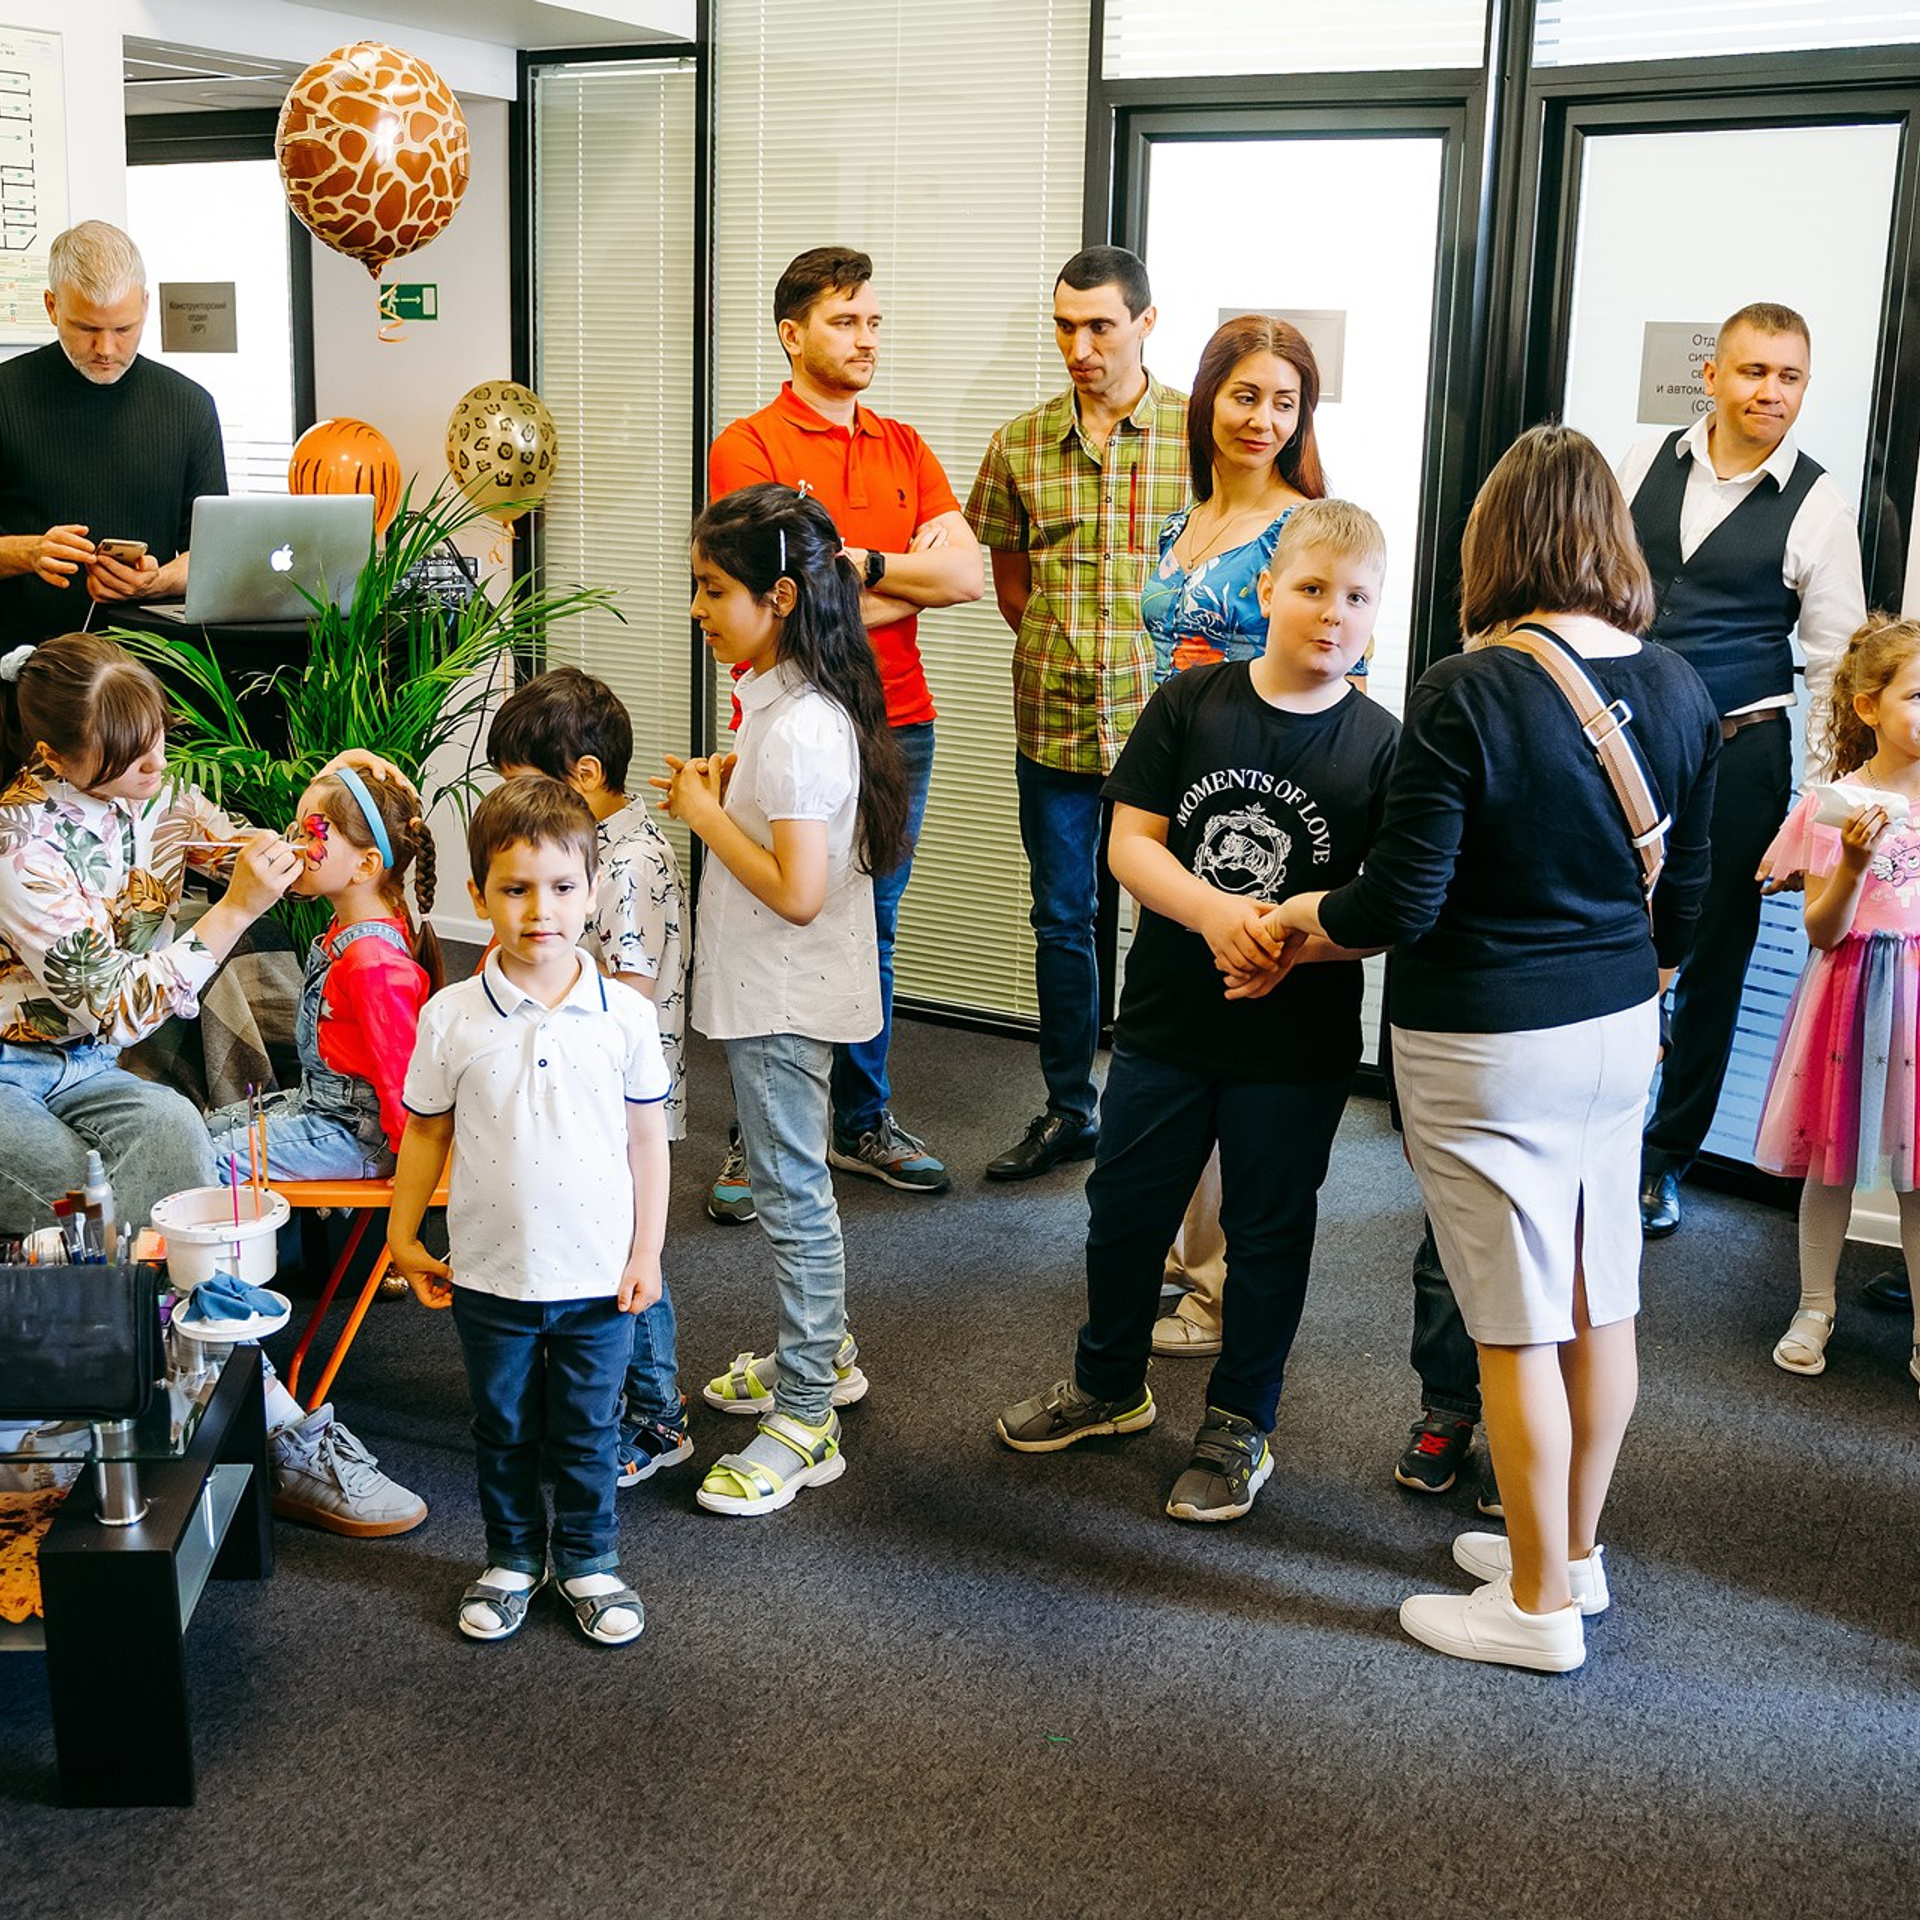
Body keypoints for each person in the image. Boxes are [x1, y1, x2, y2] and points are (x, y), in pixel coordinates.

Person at [1270, 426, 1720, 1672]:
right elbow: (1686, 899)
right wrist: (1621, 979)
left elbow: (1395, 904)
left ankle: (1531, 1610)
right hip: (1623, 1027)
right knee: (1599, 1295)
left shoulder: (1468, 690)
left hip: (1485, 1041)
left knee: (1516, 1322)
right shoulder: (1681, 686)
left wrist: (1292, 920)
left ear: (1493, 543)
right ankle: (1570, 1555)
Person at [995, 500, 1398, 1520]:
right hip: (1170, 1020)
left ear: (1376, 616)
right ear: (1266, 592)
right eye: (1310, 589)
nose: (1330, 614)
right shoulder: (1191, 705)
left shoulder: (1384, 748)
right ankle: (1106, 1384)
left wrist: (1287, 944)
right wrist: (1222, 918)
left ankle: (1240, 1423)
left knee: (1267, 1234)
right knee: (1124, 1212)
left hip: (1295, 1043)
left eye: (1355, 598)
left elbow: (1389, 907)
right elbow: (1131, 845)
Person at [0, 631, 427, 1536]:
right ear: (57, 757)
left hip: (78, 1066)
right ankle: (268, 1419)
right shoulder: (19, 850)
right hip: (15, 1068)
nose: (158, 765)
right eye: (128, 756)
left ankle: (128, 1406)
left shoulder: (155, 794)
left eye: (158, 738)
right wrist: (235, 909)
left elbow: (235, 836)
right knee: (100, 1207)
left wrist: (319, 809)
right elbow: (120, 1008)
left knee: (178, 1141)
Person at [708, 246, 983, 1210]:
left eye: (873, 321)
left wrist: (846, 565)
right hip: (781, 719)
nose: (865, 339)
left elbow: (963, 578)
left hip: (896, 724)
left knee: (873, 926)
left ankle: (861, 1120)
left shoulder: (902, 445)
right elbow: (772, 602)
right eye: (843, 321)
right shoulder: (750, 446)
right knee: (771, 921)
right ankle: (758, 1128)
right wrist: (894, 572)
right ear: (792, 333)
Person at [657, 484, 908, 1516]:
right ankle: (827, 1348)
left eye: (714, 590)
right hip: (777, 986)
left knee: (792, 1197)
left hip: (783, 992)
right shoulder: (788, 703)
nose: (698, 609)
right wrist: (731, 792)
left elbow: (798, 894)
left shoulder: (803, 727)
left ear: (783, 595)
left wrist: (706, 814)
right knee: (787, 1183)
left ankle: (808, 1413)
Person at [387, 776, 671, 1645]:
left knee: (589, 1433)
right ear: (481, 895)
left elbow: (647, 1145)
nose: (539, 910)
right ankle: (512, 1558)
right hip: (490, 1275)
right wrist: (403, 1233)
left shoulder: (625, 1016)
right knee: (503, 1427)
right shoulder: (449, 1018)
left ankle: (588, 1562)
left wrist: (646, 1256)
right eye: (514, 889)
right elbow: (426, 1138)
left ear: (591, 892)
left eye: (561, 887)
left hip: (596, 1278)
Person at [1625, 302, 1867, 1238]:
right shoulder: (1640, 463)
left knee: (1714, 960)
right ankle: (1591, 1133)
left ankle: (1664, 1158)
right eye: (1755, 371)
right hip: (1626, 749)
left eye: (1791, 377)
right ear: (1714, 377)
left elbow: (1843, 663)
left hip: (1742, 756)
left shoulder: (1818, 499)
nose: (1771, 392)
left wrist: (1813, 807)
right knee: (1611, 937)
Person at [966, 245, 1190, 1180]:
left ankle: (1151, 1098)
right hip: (1054, 722)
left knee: (1167, 918)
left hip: (1169, 730)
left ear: (1144, 321)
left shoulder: (1200, 432)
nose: (1080, 345)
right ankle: (1069, 1107)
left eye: (1099, 325)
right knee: (1062, 917)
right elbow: (1011, 588)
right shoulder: (1021, 443)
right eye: (1064, 326)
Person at [1142, 313, 1329, 1360]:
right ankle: (1185, 1251)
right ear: (1208, 396)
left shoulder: (1307, 527)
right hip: (1171, 783)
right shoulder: (1187, 521)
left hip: (1259, 803)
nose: (1262, 418)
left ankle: (1216, 1284)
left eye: (1285, 402)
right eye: (1246, 394)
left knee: (1237, 1026)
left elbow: (1336, 671)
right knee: (1179, 1022)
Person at [487, 667, 693, 1488]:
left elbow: (626, 997)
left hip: (618, 1100)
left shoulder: (627, 863)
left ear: (582, 777)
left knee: (629, 1259)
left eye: (524, 786)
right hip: (592, 1096)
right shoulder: (598, 849)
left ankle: (657, 1415)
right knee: (607, 1250)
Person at [1751, 615, 1920, 1394]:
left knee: (1919, 1174)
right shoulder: (1833, 806)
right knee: (1832, 1164)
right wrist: (1851, 862)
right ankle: (1814, 1306)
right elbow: (1823, 929)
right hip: (1852, 996)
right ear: (1868, 708)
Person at [206, 766, 440, 1183]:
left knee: (207, 1160)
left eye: (312, 835)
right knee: (196, 1131)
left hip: (359, 1136)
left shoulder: (374, 961)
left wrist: (415, 1167)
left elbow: (403, 1074)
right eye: (297, 832)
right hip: (320, 1108)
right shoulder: (349, 931)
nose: (294, 848)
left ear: (366, 864)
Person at [0, 222, 226, 641]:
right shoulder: (5, 395)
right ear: (52, 307)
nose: (105, 349)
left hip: (153, 669)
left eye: (123, 329)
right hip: (24, 671)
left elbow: (213, 555)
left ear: (144, 305)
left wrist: (156, 582)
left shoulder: (190, 406)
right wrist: (27, 553)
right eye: (86, 328)